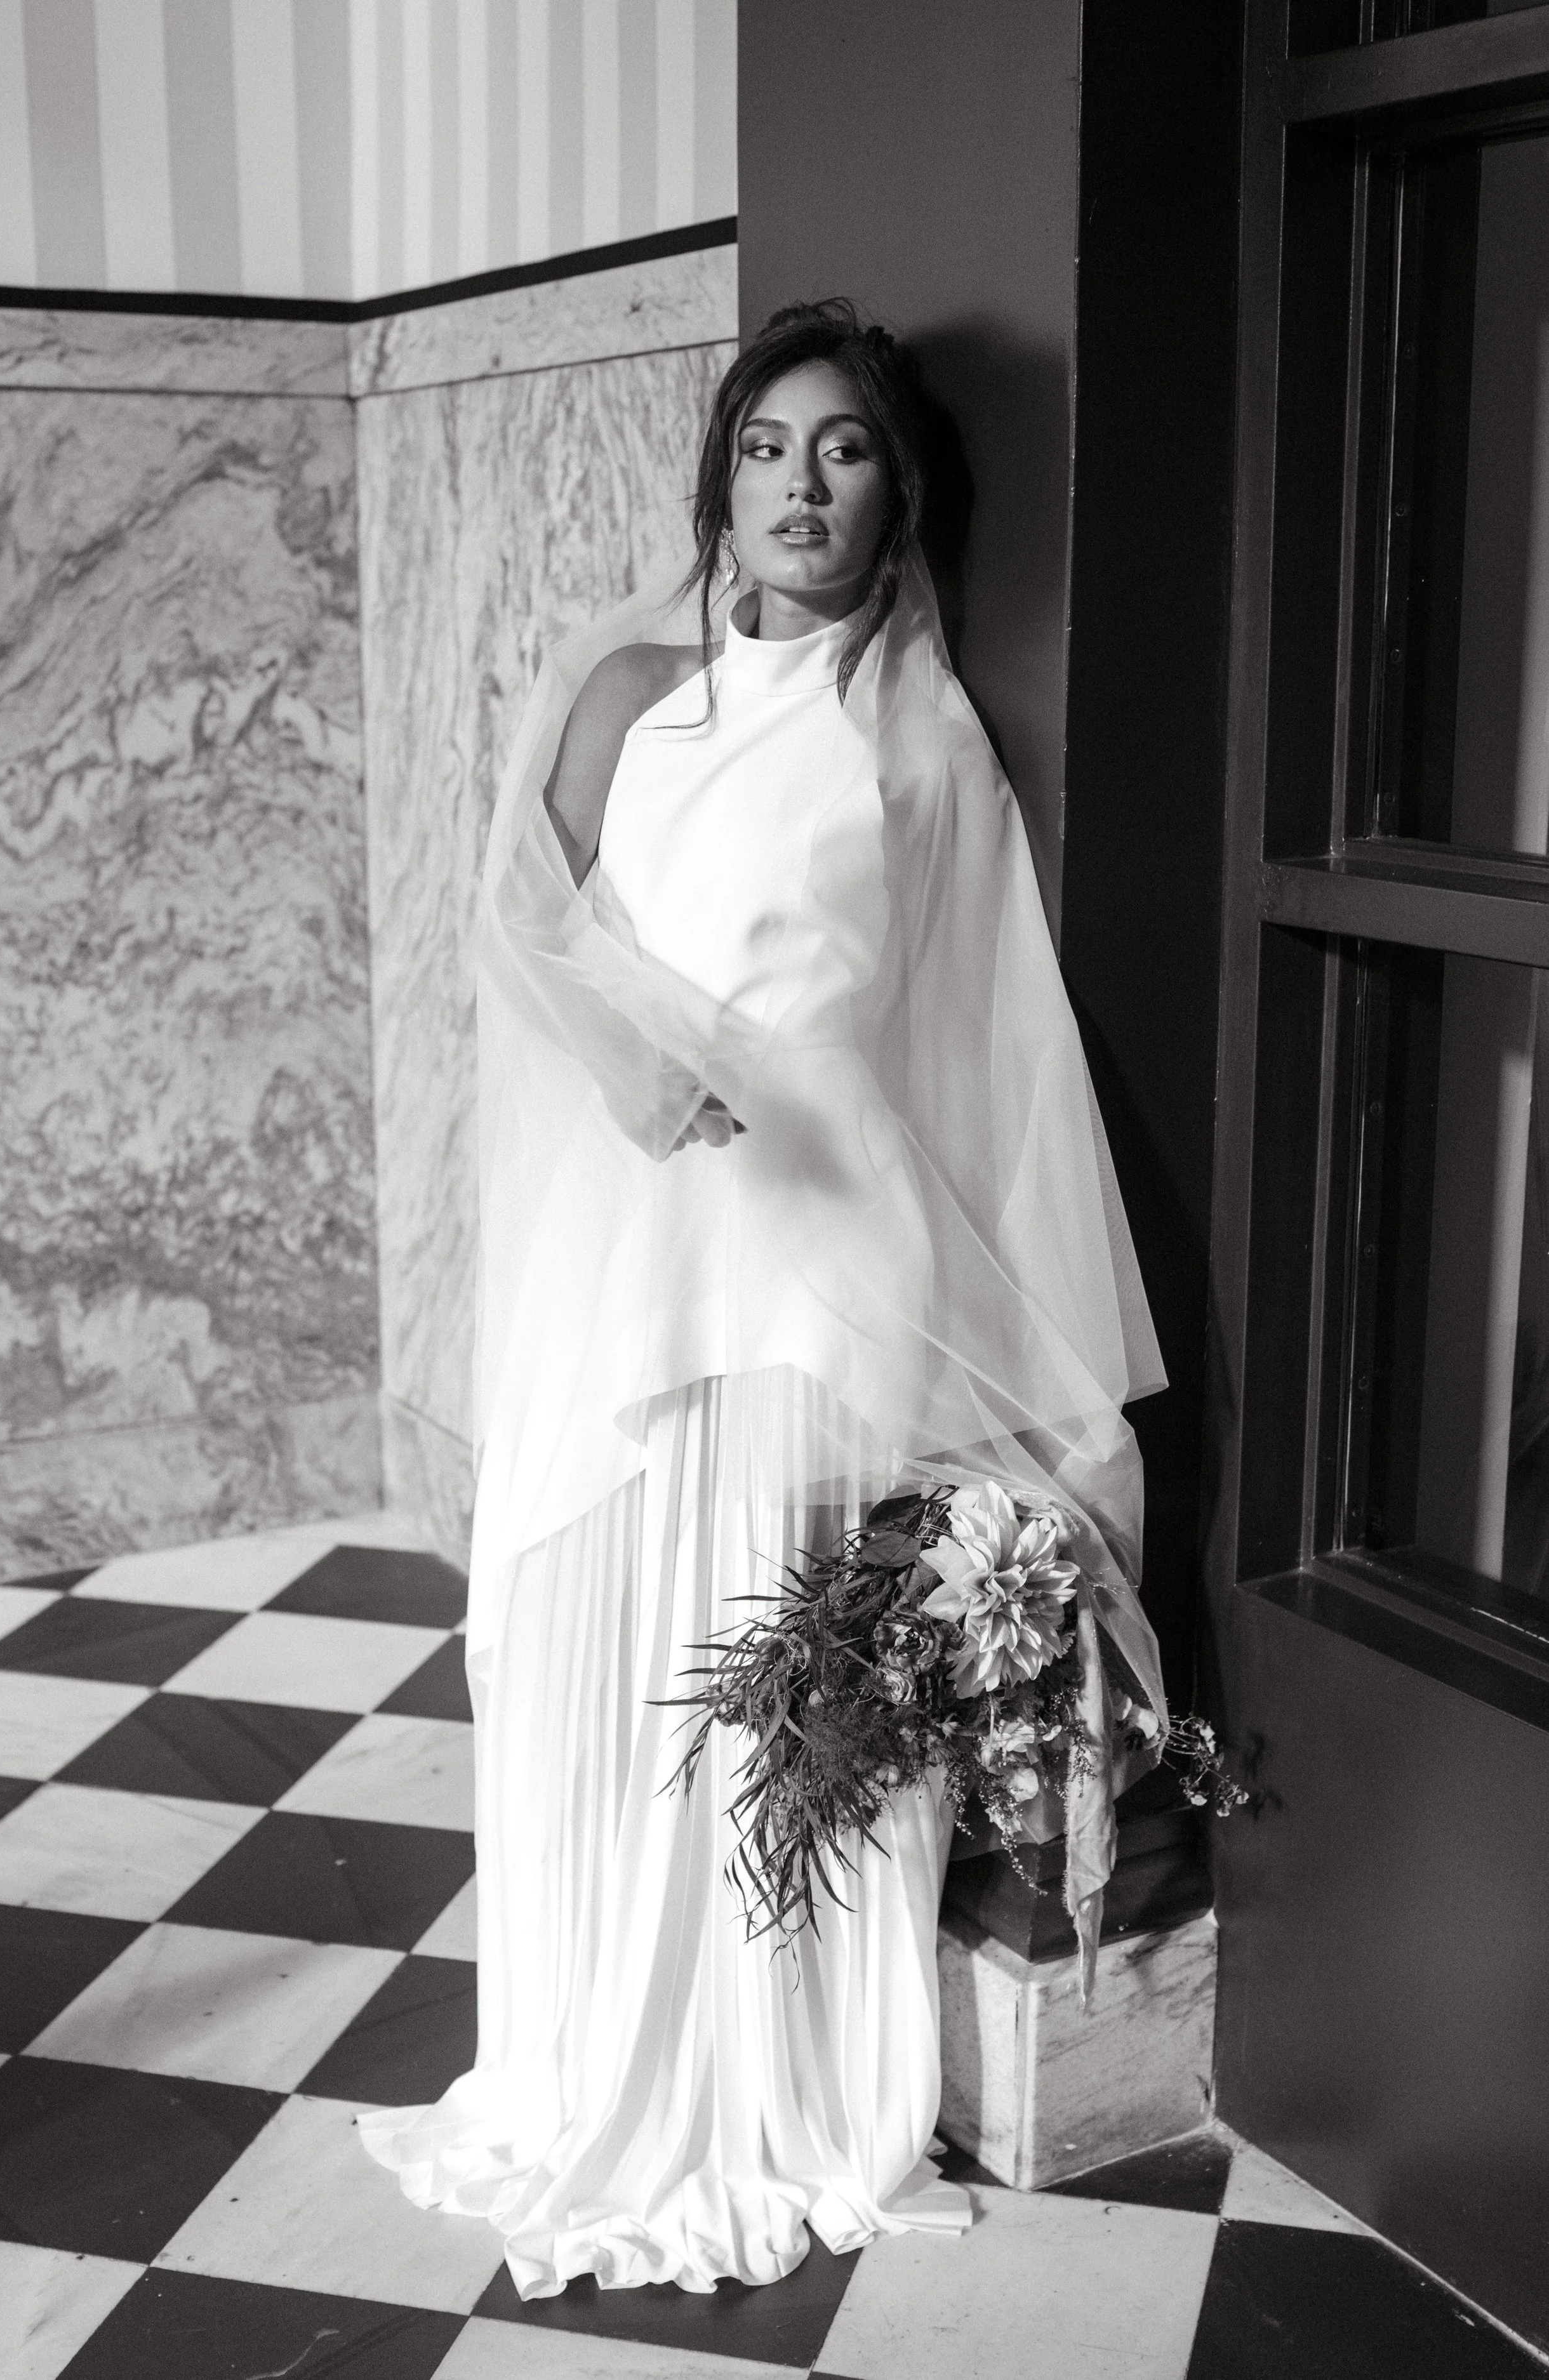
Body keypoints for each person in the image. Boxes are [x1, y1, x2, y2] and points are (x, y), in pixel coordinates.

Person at [359, 300, 1167, 2298]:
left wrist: (1021, 1357)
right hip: (624, 1256)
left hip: (820, 1272)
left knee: (772, 1660)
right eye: (766, 447)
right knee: (595, 1649)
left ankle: (781, 2089)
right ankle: (594, 2061)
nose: (801, 484)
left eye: (845, 450)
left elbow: (987, 1046)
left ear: (897, 496)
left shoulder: (923, 731)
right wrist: (632, 1055)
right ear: (715, 480)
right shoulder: (629, 684)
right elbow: (518, 920)